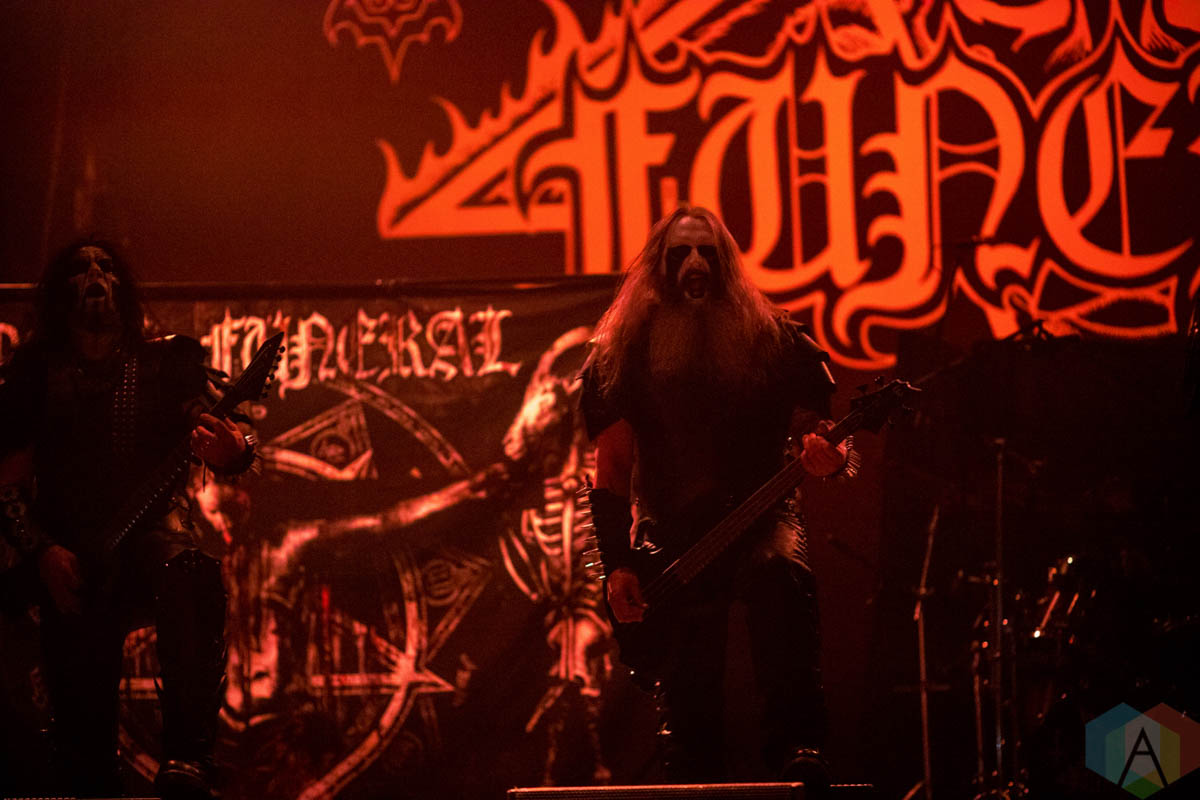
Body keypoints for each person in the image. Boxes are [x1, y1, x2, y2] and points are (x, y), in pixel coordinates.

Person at [580, 206, 856, 786]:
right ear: (659, 266)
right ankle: (691, 768)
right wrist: (619, 565)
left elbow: (817, 430)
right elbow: (612, 467)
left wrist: (828, 455)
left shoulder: (775, 341)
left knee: (781, 580)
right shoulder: (623, 352)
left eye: (707, 251)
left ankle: (800, 748)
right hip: (671, 529)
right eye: (681, 253)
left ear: (727, 262)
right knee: (687, 684)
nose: (695, 264)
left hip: (761, 519)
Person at [0, 238, 256, 799]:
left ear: (123, 287)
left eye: (107, 266)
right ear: (62, 291)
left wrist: (235, 447)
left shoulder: (167, 362)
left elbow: (214, 425)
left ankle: (188, 758)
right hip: (69, 558)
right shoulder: (37, 372)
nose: (96, 273)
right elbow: (7, 482)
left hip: (151, 540)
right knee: (82, 756)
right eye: (82, 268)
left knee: (188, 571)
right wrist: (42, 552)